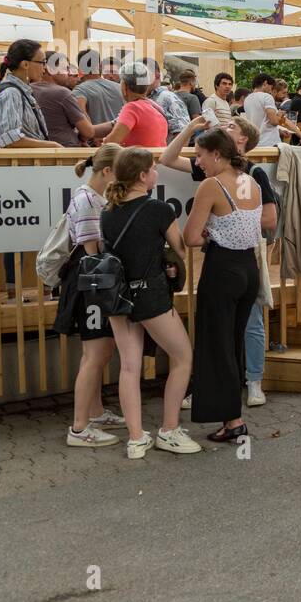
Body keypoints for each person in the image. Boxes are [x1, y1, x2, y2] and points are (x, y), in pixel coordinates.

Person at [99, 147, 198, 458]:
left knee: (129, 366)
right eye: (153, 169)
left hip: (118, 296)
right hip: (151, 295)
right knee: (182, 357)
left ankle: (136, 438)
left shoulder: (107, 211)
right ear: (143, 176)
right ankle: (168, 430)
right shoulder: (158, 209)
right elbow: (181, 250)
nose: (156, 173)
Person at [182, 129, 264, 442]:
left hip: (222, 268)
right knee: (233, 342)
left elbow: (190, 237)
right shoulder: (251, 181)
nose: (198, 161)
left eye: (199, 155)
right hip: (248, 268)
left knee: (217, 344)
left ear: (216, 153)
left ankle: (233, 420)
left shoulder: (212, 185)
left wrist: (206, 233)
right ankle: (234, 417)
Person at [55, 145, 127, 448]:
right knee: (94, 355)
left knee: (102, 352)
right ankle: (79, 427)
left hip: (96, 282)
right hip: (91, 284)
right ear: (108, 172)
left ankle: (95, 413)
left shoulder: (94, 198)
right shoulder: (87, 201)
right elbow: (92, 251)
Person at [0, 39, 61, 149]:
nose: (45, 68)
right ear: (25, 64)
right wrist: (53, 145)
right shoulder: (11, 93)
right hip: (22, 164)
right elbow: (10, 140)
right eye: (42, 62)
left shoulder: (20, 91)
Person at [32, 53, 94, 147]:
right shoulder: (62, 93)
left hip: (38, 151)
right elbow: (88, 132)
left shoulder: (27, 89)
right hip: (66, 152)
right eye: (65, 68)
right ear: (50, 69)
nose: (69, 73)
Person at [99, 63, 168, 147]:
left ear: (124, 86)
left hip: (138, 159)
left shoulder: (132, 107)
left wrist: (105, 140)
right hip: (154, 158)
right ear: (146, 86)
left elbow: (110, 143)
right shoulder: (155, 107)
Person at [72, 50, 124, 124]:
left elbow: (84, 124)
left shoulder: (79, 91)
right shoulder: (120, 88)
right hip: (120, 134)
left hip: (96, 134)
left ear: (80, 68)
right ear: (100, 66)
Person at [244, 73, 287, 147]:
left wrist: (279, 131)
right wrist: (279, 115)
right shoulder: (267, 97)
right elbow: (274, 121)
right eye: (271, 87)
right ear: (265, 83)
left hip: (255, 142)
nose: (271, 90)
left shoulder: (247, 99)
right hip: (270, 142)